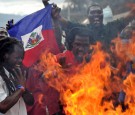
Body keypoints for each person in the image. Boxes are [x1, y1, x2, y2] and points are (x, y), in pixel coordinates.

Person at [53, 3, 134, 51]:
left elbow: (129, 17)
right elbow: (65, 22)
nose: (96, 15)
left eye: (99, 12)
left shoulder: (110, 28)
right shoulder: (82, 30)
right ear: (87, 16)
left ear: (102, 15)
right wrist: (54, 13)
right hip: (88, 72)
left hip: (107, 71)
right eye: (93, 13)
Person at [0, 37, 34, 115]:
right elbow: (3, 106)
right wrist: (20, 88)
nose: (20, 61)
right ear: (6, 55)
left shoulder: (15, 73)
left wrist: (24, 90)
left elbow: (30, 101)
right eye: (17, 57)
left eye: (21, 58)